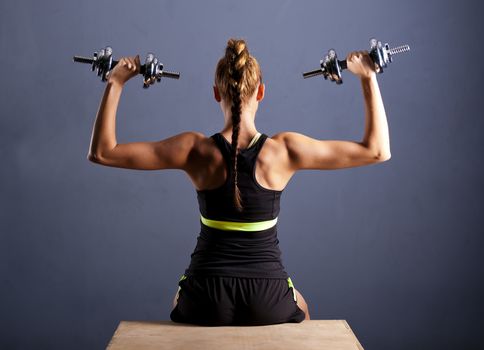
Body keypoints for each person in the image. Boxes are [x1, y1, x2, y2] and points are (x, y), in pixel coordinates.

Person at [87, 38, 390, 326]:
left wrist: (115, 82)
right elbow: (377, 151)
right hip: (267, 297)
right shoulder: (284, 151)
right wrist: (367, 77)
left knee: (178, 297)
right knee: (303, 307)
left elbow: (102, 152)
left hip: (205, 296)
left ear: (216, 93)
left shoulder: (194, 150)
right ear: (261, 92)